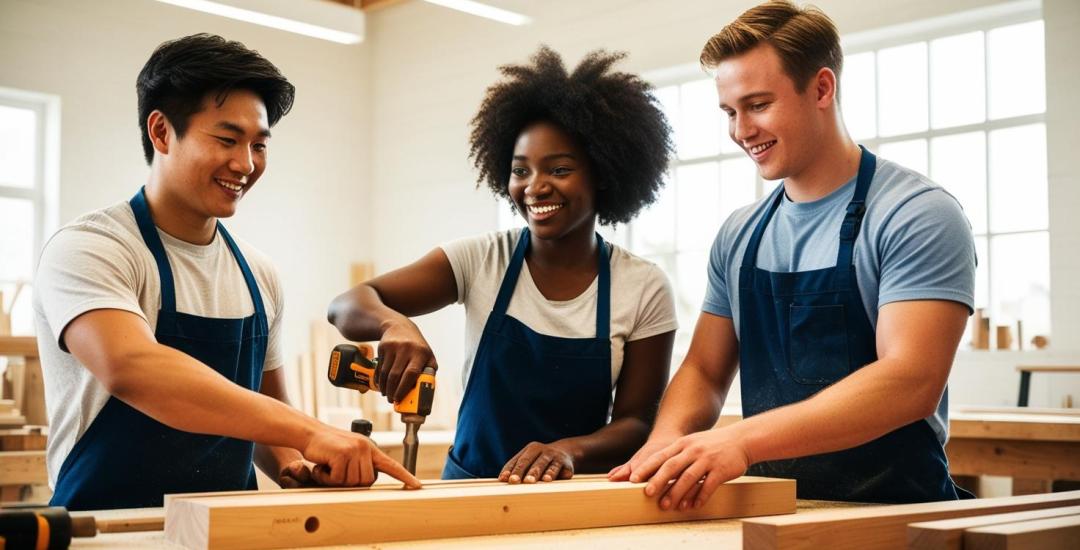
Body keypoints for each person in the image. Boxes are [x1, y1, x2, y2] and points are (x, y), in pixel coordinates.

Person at [610, 1, 977, 507]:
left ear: (822, 88)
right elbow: (704, 370)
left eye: (758, 105)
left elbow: (910, 380)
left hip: (896, 513)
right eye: (729, 112)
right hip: (778, 512)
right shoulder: (740, 233)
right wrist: (663, 445)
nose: (741, 131)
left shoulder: (915, 214)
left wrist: (741, 439)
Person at [33, 34, 418, 511]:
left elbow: (269, 428)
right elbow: (133, 367)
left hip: (228, 532)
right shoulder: (93, 248)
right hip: (106, 531)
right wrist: (312, 431)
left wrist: (302, 469)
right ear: (161, 133)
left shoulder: (259, 275)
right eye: (227, 139)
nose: (246, 163)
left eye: (259, 145)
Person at [328, 46, 678, 482]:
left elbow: (637, 423)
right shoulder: (480, 259)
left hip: (574, 500)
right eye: (521, 170)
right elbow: (347, 304)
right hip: (469, 491)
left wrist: (570, 451)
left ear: (603, 173)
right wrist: (394, 325)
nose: (535, 187)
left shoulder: (643, 286)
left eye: (559, 169)